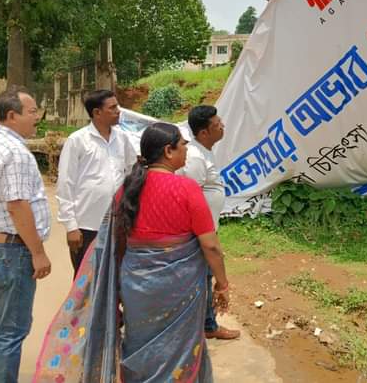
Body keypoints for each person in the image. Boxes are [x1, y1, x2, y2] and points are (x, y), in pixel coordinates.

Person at [33, 123, 230, 382]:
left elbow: (118, 243)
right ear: (169, 151)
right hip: (178, 286)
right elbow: (211, 245)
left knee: (139, 342)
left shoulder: (127, 189)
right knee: (180, 345)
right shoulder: (187, 189)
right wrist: (222, 284)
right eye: (183, 145)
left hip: (136, 285)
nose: (186, 149)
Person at [0, 87, 52, 383]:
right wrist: (38, 252)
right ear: (11, 115)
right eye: (32, 112)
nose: (37, 117)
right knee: (10, 332)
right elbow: (18, 205)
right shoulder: (15, 153)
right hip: (14, 251)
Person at [56, 89, 137, 276]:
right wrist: (71, 227)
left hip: (118, 222)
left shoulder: (122, 138)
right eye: (113, 107)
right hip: (87, 225)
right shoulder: (77, 140)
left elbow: (132, 171)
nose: (118, 111)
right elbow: (65, 184)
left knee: (114, 277)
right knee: (85, 281)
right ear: (97, 113)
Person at [180, 105, 240, 340]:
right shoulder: (195, 158)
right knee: (203, 277)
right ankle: (206, 325)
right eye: (217, 124)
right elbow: (190, 197)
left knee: (204, 276)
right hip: (199, 233)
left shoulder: (204, 151)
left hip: (206, 228)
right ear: (204, 132)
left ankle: (205, 323)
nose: (222, 126)